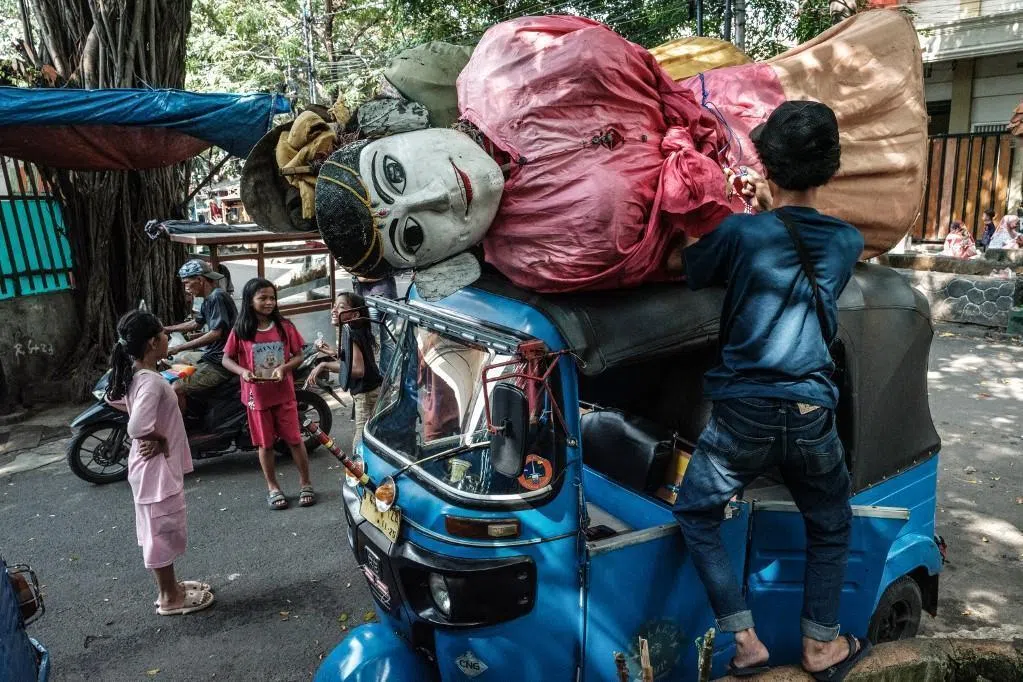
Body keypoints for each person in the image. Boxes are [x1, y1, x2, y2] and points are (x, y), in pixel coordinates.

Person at [674, 101, 869, 680]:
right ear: (832, 172)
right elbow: (802, 240)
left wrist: (746, 209)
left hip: (742, 417)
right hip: (812, 412)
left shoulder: (739, 234)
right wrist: (771, 205)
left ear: (766, 165)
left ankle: (745, 640)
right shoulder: (846, 243)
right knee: (831, 525)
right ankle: (820, 647)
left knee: (696, 512)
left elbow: (690, 265)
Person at [106, 310, 215, 616]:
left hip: (151, 469)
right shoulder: (150, 382)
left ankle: (173, 586)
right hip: (155, 469)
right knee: (160, 532)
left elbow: (113, 399)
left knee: (162, 528)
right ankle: (169, 598)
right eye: (164, 334)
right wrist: (161, 438)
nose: (168, 337)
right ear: (154, 342)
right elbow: (138, 426)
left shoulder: (139, 374)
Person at [222, 278, 316, 510]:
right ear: (249, 301)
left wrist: (284, 368)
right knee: (264, 444)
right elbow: (226, 359)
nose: (268, 302)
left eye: (272, 298)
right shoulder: (241, 330)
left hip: (283, 394)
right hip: (257, 398)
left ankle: (306, 483)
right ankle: (273, 487)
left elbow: (298, 356)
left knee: (294, 439)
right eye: (262, 298)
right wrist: (243, 372)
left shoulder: (285, 326)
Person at [305, 292, 383, 452]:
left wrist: (324, 365)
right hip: (371, 389)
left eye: (341, 307)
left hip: (366, 394)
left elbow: (358, 370)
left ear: (354, 314)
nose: (334, 310)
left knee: (361, 440)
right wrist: (331, 352)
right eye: (334, 306)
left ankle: (359, 472)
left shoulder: (352, 334)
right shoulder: (355, 329)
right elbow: (351, 359)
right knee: (374, 434)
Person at [164, 260, 238, 404]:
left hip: (221, 362)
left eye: (187, 283)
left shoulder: (217, 297)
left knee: (176, 387)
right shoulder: (208, 299)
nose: (186, 288)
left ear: (199, 280)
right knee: (178, 361)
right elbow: (196, 324)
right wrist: (167, 329)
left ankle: (181, 426)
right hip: (212, 354)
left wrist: (178, 347)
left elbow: (216, 333)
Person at [352, 275, 398, 374]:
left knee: (388, 342)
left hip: (390, 300)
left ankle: (384, 376)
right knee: (368, 341)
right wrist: (387, 273)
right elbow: (362, 277)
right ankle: (370, 375)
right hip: (370, 303)